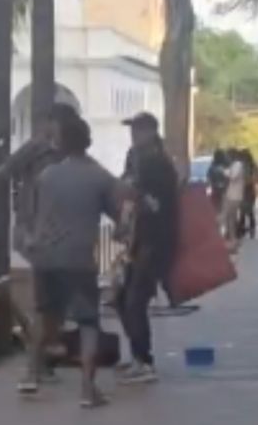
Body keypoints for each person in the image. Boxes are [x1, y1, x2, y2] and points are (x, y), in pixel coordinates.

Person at [28, 108, 130, 408]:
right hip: (78, 260)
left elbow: (37, 215)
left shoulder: (47, 175)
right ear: (88, 141)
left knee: (43, 315)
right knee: (87, 322)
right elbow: (119, 219)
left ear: (61, 142)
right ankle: (87, 389)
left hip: (45, 257)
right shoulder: (99, 176)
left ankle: (30, 375)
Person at [0, 102, 65, 390]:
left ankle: (43, 360)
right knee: (43, 302)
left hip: (56, 233)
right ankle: (34, 368)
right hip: (34, 231)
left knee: (53, 305)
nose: (53, 128)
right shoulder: (36, 148)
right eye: (52, 122)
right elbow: (7, 168)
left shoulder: (67, 153)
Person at [116, 113, 178, 384]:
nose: (133, 134)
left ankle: (144, 361)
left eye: (139, 129)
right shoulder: (136, 158)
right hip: (138, 238)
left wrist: (134, 196)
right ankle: (138, 355)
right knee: (123, 298)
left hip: (154, 239)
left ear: (151, 132)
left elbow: (154, 203)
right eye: (132, 129)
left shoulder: (157, 163)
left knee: (134, 300)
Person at [222, 148, 246, 251]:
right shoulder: (234, 165)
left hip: (234, 195)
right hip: (232, 194)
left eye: (228, 156)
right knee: (230, 218)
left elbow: (233, 176)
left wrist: (224, 172)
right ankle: (233, 240)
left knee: (228, 216)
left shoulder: (238, 165)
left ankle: (233, 239)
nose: (227, 158)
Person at [237, 149, 258, 240]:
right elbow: (257, 178)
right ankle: (250, 229)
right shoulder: (253, 165)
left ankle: (242, 229)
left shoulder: (242, 166)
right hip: (249, 188)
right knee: (248, 210)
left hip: (245, 189)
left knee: (244, 210)